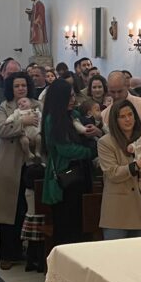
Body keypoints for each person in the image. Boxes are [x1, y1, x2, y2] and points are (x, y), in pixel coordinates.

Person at [0, 70, 40, 269]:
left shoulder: (37, 105)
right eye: (17, 86)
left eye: (23, 85)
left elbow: (41, 125)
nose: (20, 89)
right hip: (9, 163)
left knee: (27, 209)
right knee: (9, 211)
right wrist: (22, 122)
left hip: (31, 162)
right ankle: (7, 255)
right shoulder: (5, 106)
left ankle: (24, 251)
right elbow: (0, 129)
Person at [96, 100, 141, 239]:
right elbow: (112, 173)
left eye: (130, 115)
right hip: (118, 209)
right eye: (122, 116)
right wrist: (138, 165)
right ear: (115, 120)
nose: (128, 119)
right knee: (115, 250)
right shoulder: (106, 142)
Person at [41, 78, 97, 246]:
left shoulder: (74, 115)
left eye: (73, 96)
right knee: (67, 225)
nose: (73, 100)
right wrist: (90, 151)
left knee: (81, 223)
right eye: (69, 96)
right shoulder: (53, 119)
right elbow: (65, 149)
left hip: (81, 174)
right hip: (65, 176)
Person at [8, 95, 42, 162]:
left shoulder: (34, 110)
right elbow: (12, 117)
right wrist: (9, 120)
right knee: (24, 141)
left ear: (30, 104)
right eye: (19, 104)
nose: (21, 104)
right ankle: (28, 153)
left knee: (39, 138)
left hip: (35, 133)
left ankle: (37, 151)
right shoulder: (17, 111)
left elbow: (40, 116)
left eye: (24, 101)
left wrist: (37, 114)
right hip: (25, 133)